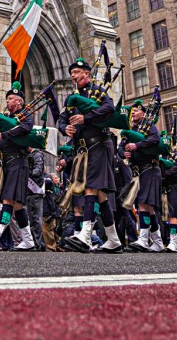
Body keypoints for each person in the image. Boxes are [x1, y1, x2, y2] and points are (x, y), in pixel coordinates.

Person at [59, 58, 122, 253]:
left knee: (90, 188)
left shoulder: (98, 92)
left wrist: (86, 117)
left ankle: (85, 235)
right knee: (100, 196)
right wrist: (66, 128)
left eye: (77, 72)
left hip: (99, 145)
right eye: (72, 73)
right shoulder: (71, 98)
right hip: (83, 149)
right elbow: (62, 119)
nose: (73, 76)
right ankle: (113, 239)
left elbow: (110, 109)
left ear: (87, 74)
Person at [0, 83, 36, 250]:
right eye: (7, 98)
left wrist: (2, 134)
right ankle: (28, 240)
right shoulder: (6, 116)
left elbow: (24, 130)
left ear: (19, 101)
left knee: (8, 200)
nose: (8, 101)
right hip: (8, 163)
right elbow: (5, 139)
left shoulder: (26, 113)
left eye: (11, 98)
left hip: (18, 162)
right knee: (18, 205)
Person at [123, 99, 164, 253]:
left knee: (143, 204)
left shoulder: (149, 128)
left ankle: (143, 239)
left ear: (144, 113)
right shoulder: (131, 130)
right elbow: (121, 147)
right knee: (148, 208)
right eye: (132, 111)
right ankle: (157, 241)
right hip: (139, 171)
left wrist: (137, 145)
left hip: (150, 168)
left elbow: (156, 139)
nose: (133, 113)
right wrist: (124, 152)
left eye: (137, 111)